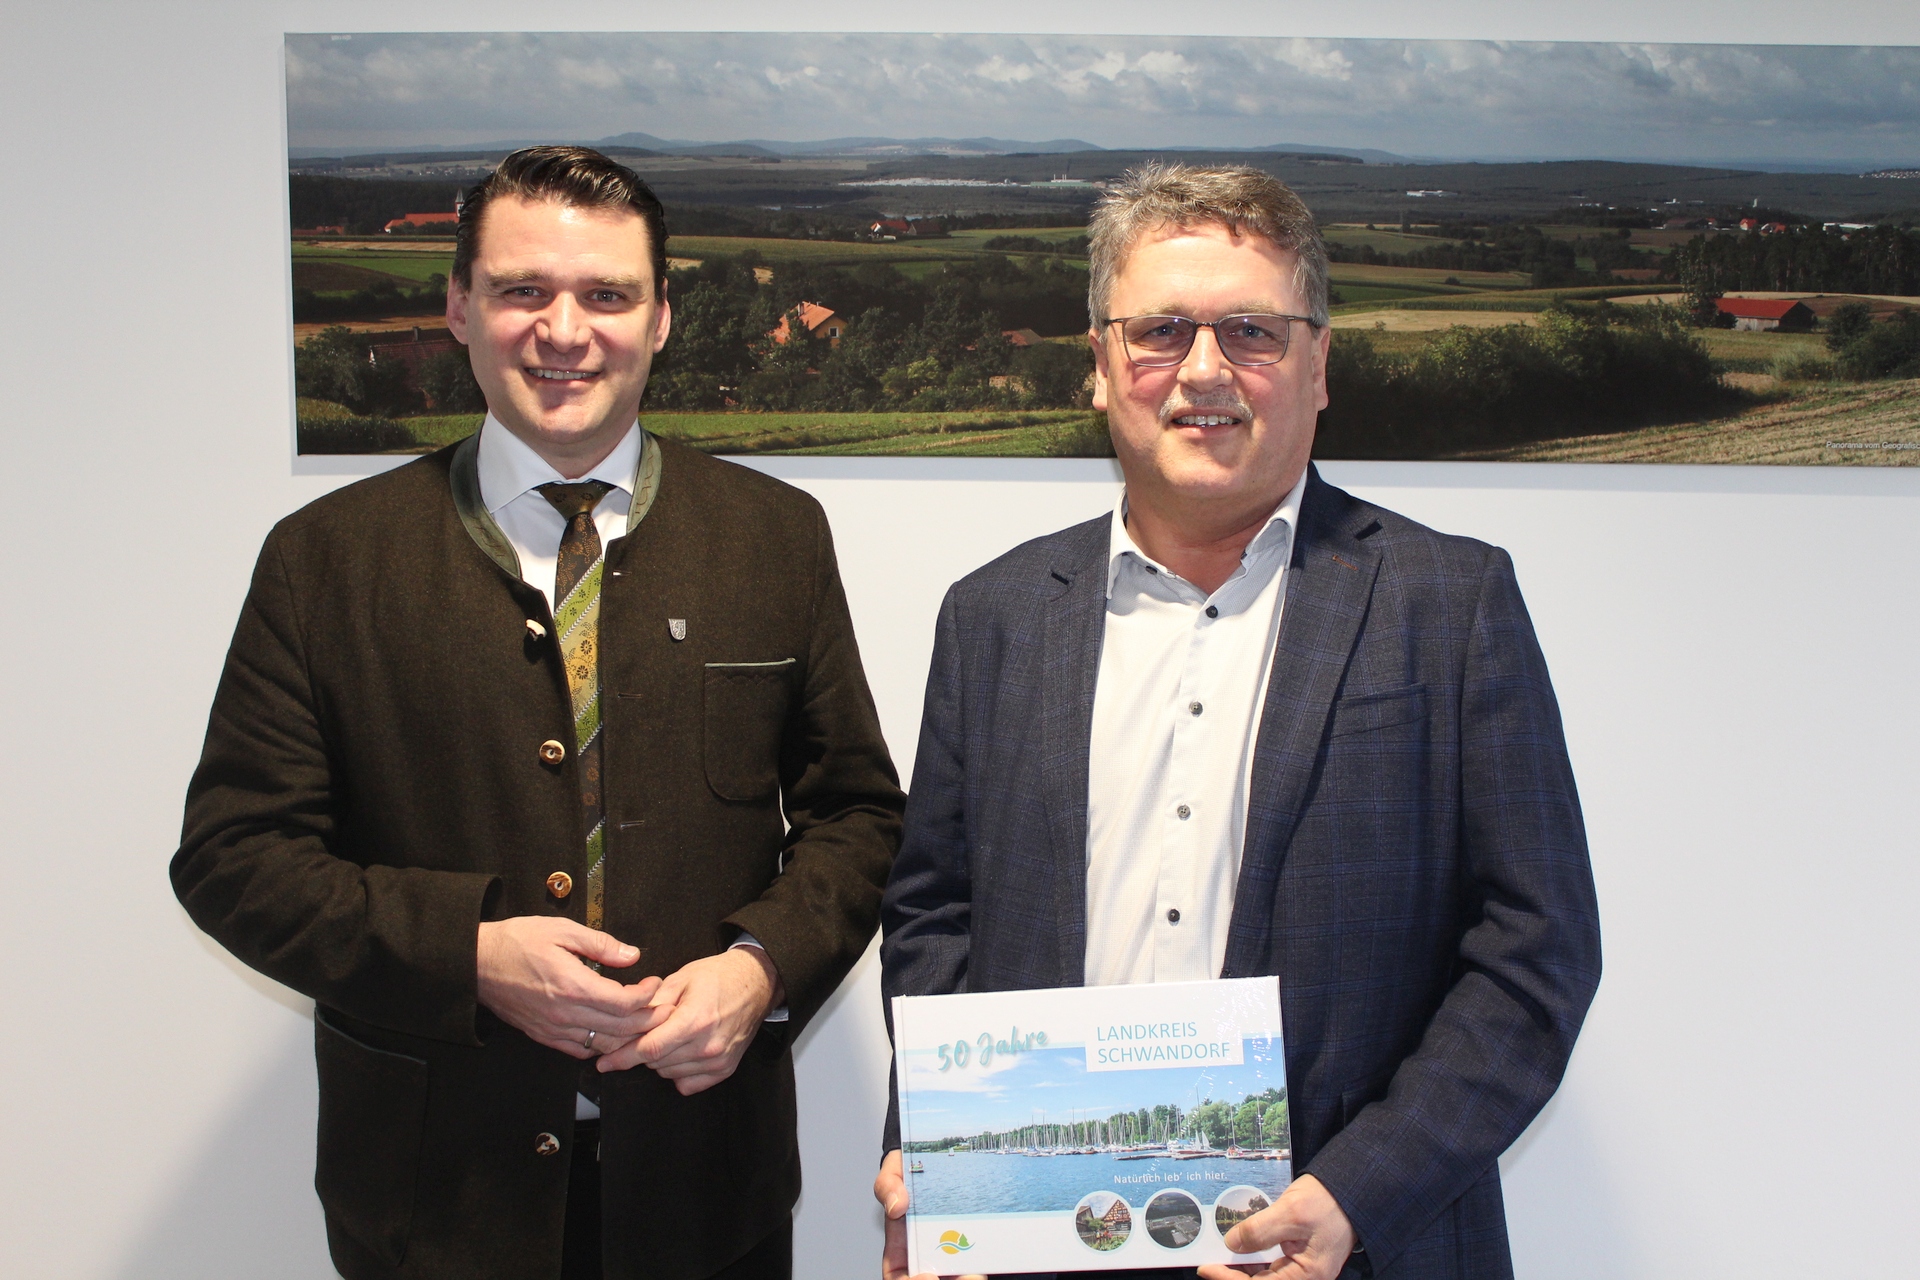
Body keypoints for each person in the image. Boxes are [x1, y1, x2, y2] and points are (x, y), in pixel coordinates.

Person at [173, 146, 904, 1280]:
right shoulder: (325, 559)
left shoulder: (776, 537)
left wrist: (760, 967)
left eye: (607, 294)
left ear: (660, 317)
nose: (564, 330)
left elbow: (859, 818)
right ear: (459, 306)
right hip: (434, 1200)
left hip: (709, 1186)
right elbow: (233, 857)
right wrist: (464, 954)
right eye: (523, 290)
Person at [874, 164, 1601, 1280]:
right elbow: (933, 922)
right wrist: (935, 1153)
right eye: (1161, 329)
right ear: (1101, 363)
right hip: (1043, 1242)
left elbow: (1534, 952)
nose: (1203, 370)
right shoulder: (995, 615)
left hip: (1346, 1250)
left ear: (1318, 367)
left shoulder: (1450, 604)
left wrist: (1357, 1191)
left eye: (1251, 331)